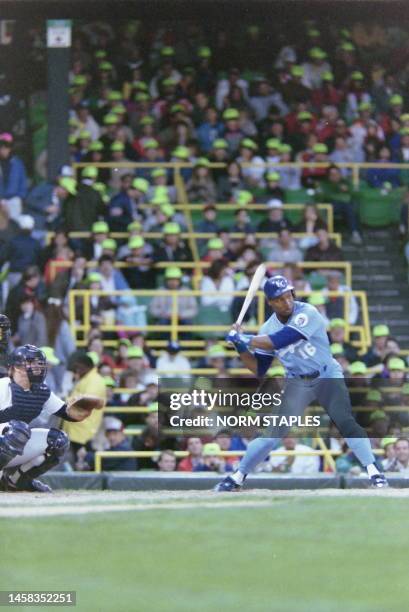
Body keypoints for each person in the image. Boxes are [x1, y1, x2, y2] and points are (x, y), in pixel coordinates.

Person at [215, 275, 388, 491]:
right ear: (270, 302)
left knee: (344, 420)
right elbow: (259, 368)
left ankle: (374, 472)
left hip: (326, 374)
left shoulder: (308, 312)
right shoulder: (267, 328)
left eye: (289, 295)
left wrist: (245, 338)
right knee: (272, 434)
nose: (287, 302)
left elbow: (283, 339)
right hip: (297, 382)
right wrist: (240, 347)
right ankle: (237, 477)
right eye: (279, 299)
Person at [0, 345, 102, 492]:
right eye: (33, 363)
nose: (38, 367)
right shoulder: (3, 386)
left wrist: (83, 408)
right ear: (17, 367)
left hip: (11, 439)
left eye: (40, 363)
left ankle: (17, 481)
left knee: (58, 441)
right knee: (17, 430)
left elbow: (66, 412)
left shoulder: (41, 390)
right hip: (8, 437)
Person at [62, 353, 107, 464]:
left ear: (84, 366)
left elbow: (85, 402)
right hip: (76, 429)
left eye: (78, 367)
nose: (76, 370)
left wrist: (65, 399)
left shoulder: (95, 381)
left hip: (85, 432)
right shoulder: (85, 379)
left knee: (84, 464)